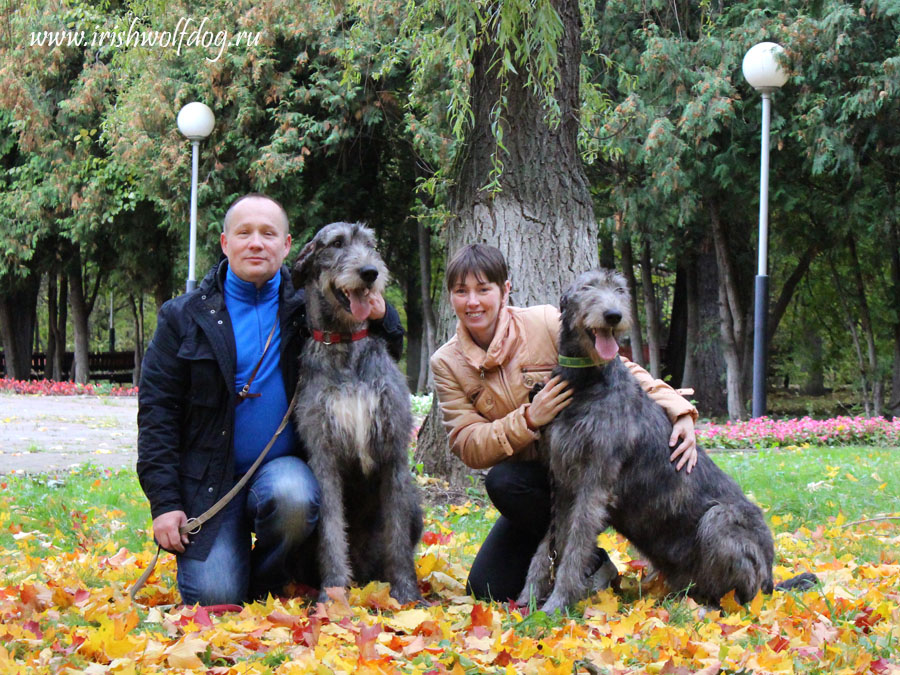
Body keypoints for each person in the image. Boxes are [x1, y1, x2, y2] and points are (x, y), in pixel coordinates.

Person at [137, 193, 403, 606]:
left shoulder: (306, 306)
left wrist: (384, 314)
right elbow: (157, 415)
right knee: (215, 596)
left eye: (268, 234)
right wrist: (165, 502)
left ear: (288, 245)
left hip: (281, 476)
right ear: (225, 243)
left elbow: (381, 337)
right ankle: (235, 563)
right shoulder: (182, 316)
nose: (256, 243)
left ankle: (267, 576)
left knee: (297, 498)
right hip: (212, 484)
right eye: (244, 233)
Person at [429, 244, 699, 602]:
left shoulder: (542, 323)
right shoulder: (447, 362)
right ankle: (592, 564)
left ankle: (576, 567)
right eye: (461, 292)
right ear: (451, 297)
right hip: (532, 490)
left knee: (516, 484)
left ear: (504, 290)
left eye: (483, 289)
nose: (473, 302)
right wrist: (529, 418)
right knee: (487, 585)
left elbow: (620, 367)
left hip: (588, 467)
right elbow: (468, 443)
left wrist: (679, 409)